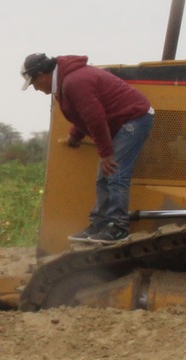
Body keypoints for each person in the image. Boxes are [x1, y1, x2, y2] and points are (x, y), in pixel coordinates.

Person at [21, 52, 154, 244]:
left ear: (42, 75)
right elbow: (83, 114)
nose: (35, 89)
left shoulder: (73, 82)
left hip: (134, 119)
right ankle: (99, 224)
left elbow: (95, 118)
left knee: (115, 174)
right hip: (123, 121)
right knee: (103, 178)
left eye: (34, 84)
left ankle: (118, 228)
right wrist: (75, 136)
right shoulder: (67, 82)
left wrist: (107, 154)